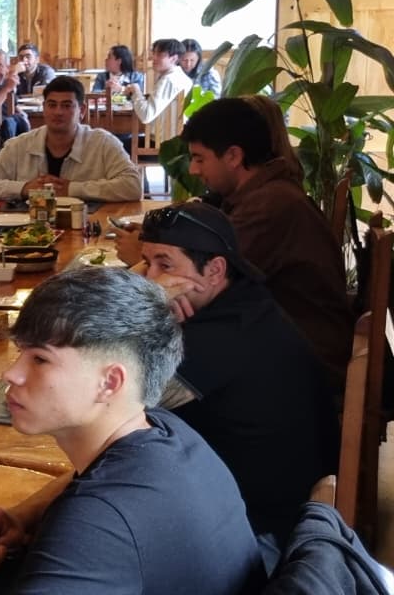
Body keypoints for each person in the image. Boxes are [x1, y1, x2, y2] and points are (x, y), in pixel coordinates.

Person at [0, 267, 265, 595]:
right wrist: (23, 515)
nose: (11, 374)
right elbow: (82, 479)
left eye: (40, 359)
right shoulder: (166, 430)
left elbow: (101, 520)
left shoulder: (95, 528)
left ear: (109, 383)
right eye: (21, 352)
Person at [140, 202, 338, 553]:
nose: (149, 278)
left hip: (260, 541)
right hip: (268, 505)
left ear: (215, 270)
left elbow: (109, 404)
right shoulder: (244, 303)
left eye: (164, 264)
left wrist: (148, 320)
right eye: (147, 262)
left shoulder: (220, 337)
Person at [181, 97, 350, 385]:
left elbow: (203, 284)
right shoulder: (263, 195)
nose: (193, 170)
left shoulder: (271, 206)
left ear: (234, 156)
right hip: (285, 346)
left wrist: (147, 257)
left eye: (199, 158)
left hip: (307, 366)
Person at [0, 76, 141, 201]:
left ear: (82, 111)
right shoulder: (20, 145)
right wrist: (24, 188)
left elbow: (133, 186)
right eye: (52, 105)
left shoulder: (103, 143)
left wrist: (72, 189)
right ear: (44, 108)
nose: (58, 112)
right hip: (30, 234)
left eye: (66, 106)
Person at [124, 38, 192, 125]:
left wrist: (136, 91)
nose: (153, 57)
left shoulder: (169, 80)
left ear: (174, 58)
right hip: (175, 134)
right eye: (154, 53)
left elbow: (146, 116)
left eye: (160, 54)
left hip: (166, 137)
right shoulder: (180, 76)